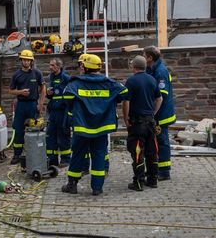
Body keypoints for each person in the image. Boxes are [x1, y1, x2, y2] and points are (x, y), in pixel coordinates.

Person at [61, 54, 128, 196]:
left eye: (81, 65)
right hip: (102, 128)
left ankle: (72, 185)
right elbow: (124, 93)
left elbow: (66, 97)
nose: (80, 68)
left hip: (82, 127)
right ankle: (97, 188)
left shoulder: (75, 83)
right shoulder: (110, 83)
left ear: (85, 67)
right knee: (99, 156)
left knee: (78, 155)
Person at [123, 56, 162, 190]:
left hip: (137, 123)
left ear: (134, 66)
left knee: (138, 152)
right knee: (152, 152)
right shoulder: (152, 79)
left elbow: (126, 102)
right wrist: (153, 113)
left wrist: (126, 118)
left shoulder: (131, 81)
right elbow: (159, 99)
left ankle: (138, 182)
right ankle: (152, 180)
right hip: (150, 122)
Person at [144, 47, 176, 181]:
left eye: (144, 56)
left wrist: (153, 113)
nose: (143, 58)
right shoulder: (151, 69)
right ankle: (156, 168)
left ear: (150, 58)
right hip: (156, 112)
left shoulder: (160, 71)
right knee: (155, 141)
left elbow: (161, 96)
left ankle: (164, 171)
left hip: (161, 114)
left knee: (162, 141)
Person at [9, 50, 45, 167]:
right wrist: (20, 92)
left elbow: (43, 89)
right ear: (21, 61)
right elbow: (10, 90)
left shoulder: (37, 73)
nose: (26, 61)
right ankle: (17, 155)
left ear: (31, 61)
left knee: (34, 129)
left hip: (32, 105)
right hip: (21, 104)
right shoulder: (16, 75)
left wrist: (40, 104)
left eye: (28, 60)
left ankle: (33, 153)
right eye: (24, 59)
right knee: (18, 130)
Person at [45, 57, 72, 169]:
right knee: (50, 135)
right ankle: (52, 160)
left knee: (63, 135)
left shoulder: (66, 78)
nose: (50, 67)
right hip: (53, 111)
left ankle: (65, 159)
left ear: (59, 66)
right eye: (50, 65)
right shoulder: (51, 77)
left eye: (52, 65)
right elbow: (50, 95)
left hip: (62, 111)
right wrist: (48, 93)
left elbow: (70, 93)